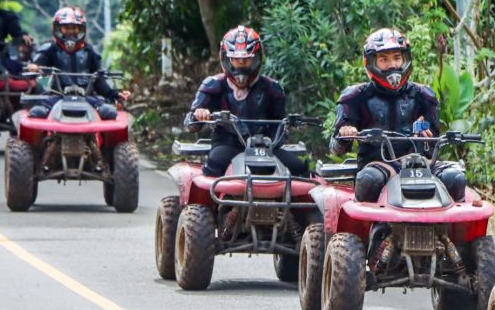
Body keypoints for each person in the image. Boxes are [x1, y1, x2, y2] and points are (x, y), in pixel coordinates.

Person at [330, 27, 467, 202]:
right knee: (368, 180)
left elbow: (434, 146)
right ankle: (370, 228)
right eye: (384, 59)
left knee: (455, 178)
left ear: (405, 59)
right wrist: (345, 134)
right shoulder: (355, 97)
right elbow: (335, 147)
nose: (392, 65)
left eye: (397, 58)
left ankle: (454, 228)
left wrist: (426, 138)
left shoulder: (424, 96)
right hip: (378, 164)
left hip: (421, 165)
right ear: (371, 62)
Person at [184, 25, 308, 177]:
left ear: (256, 58)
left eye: (247, 58)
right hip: (228, 143)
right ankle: (206, 201)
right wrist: (199, 115)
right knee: (216, 162)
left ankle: (297, 200)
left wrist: (285, 129)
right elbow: (189, 123)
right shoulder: (213, 84)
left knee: (299, 168)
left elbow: (279, 122)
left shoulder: (272, 88)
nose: (241, 63)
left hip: (266, 147)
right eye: (236, 59)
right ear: (227, 59)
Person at [27, 7, 130, 121]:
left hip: (87, 97)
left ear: (81, 29)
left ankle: (101, 138)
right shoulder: (50, 48)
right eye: (66, 28)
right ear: (58, 29)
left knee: (109, 112)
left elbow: (99, 79)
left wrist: (114, 94)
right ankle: (45, 138)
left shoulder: (90, 51)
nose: (70, 32)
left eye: (74, 28)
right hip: (57, 96)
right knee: (37, 112)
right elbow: (37, 63)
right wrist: (34, 67)